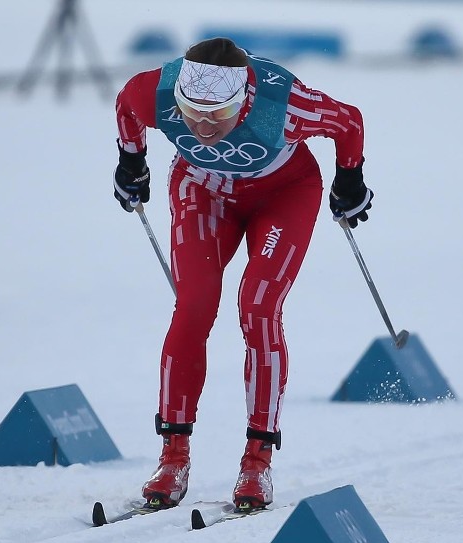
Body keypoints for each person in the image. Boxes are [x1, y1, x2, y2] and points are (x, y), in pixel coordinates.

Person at [112, 37, 372, 511]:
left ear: (244, 102)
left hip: (283, 194)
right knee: (193, 308)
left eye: (218, 115)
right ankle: (173, 456)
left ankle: (257, 461)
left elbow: (349, 121)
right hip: (203, 189)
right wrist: (131, 161)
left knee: (257, 307)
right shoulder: (154, 92)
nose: (203, 125)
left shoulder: (285, 105)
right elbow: (126, 105)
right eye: (191, 113)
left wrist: (349, 179)